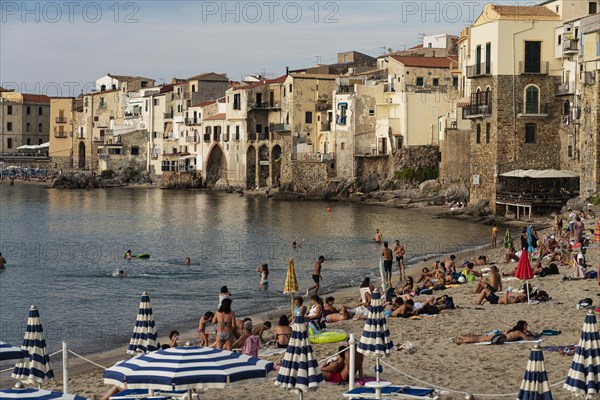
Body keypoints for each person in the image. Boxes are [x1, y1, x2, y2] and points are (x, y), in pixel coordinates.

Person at [456, 320, 536, 344]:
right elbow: (527, 339)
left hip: (498, 333)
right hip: (498, 336)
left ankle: (462, 336)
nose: (526, 327)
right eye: (526, 326)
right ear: (523, 326)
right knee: (479, 339)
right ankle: (462, 340)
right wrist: (532, 335)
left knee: (480, 336)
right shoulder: (519, 332)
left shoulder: (513, 330)